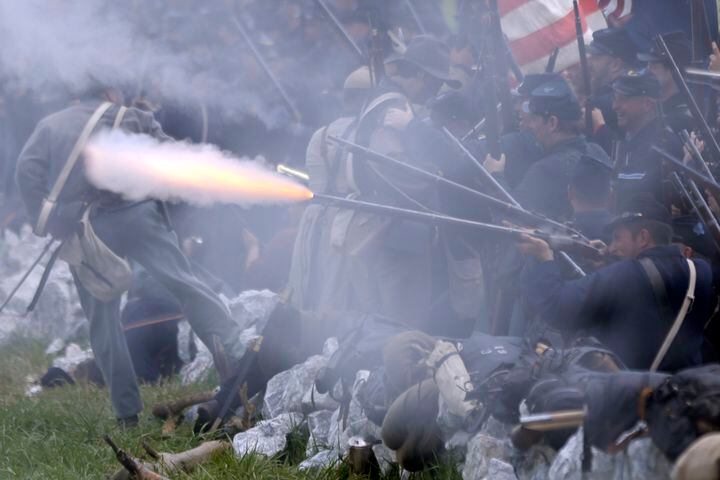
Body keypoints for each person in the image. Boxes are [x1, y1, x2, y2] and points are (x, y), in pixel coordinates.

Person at [15, 83, 245, 425]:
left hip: (86, 226)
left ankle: (126, 414)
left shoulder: (52, 124)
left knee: (103, 319)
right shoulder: (133, 117)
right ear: (111, 91)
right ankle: (236, 353)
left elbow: (25, 170)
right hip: (138, 218)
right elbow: (174, 161)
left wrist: (48, 218)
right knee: (186, 285)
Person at [332, 35, 460, 330]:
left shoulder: (380, 99)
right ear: (418, 75)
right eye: (435, 80)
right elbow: (396, 172)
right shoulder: (394, 107)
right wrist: (436, 175)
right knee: (401, 328)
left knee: (384, 325)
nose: (436, 89)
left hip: (383, 229)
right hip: (399, 235)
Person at [518, 196, 715, 371]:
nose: (611, 247)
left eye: (617, 238)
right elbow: (654, 280)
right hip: (687, 394)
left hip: (634, 397)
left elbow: (557, 307)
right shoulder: (700, 271)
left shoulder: (625, 275)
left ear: (643, 237)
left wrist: (544, 258)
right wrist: (608, 265)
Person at [513, 78, 609, 221]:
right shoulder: (598, 152)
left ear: (552, 123)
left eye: (533, 120)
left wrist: (495, 176)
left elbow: (514, 218)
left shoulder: (545, 170)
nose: (530, 126)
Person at [611, 69, 681, 210]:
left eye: (623, 99)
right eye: (615, 98)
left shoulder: (663, 145)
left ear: (647, 104)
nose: (615, 106)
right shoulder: (631, 141)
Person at [586, 27, 639, 152]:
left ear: (615, 64)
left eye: (596, 57)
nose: (589, 63)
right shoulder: (636, 96)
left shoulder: (603, 104)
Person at [638, 31, 695, 134]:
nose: (647, 70)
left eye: (654, 66)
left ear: (674, 71)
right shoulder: (654, 106)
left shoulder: (682, 118)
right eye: (648, 65)